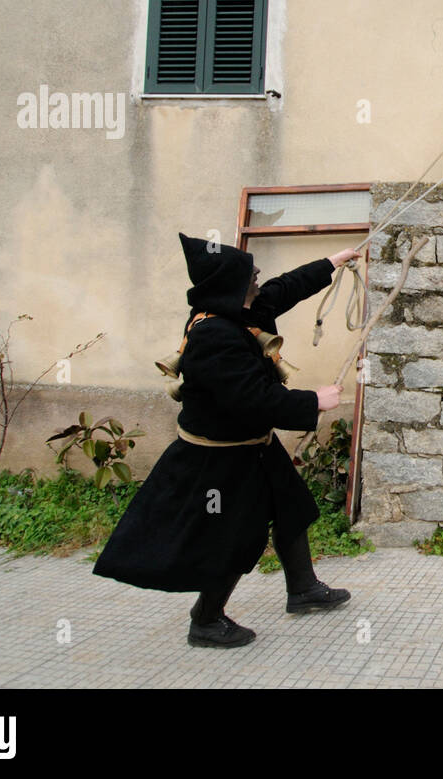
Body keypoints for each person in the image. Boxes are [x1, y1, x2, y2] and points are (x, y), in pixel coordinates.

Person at [92, 233, 361, 648]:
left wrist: (332, 262)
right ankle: (206, 618)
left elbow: (283, 288)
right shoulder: (213, 336)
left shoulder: (241, 310)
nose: (258, 276)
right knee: (234, 535)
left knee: (291, 507)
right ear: (230, 286)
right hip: (217, 457)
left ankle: (303, 588)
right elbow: (251, 399)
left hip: (252, 445)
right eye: (249, 273)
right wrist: (313, 401)